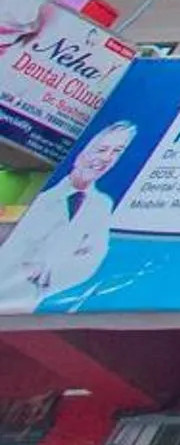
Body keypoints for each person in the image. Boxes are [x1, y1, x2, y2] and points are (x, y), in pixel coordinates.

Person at [0, 120, 137, 312]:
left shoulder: (102, 206)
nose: (107, 157)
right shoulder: (38, 193)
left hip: (25, 307)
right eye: (102, 149)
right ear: (81, 152)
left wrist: (44, 269)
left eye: (116, 152)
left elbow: (89, 261)